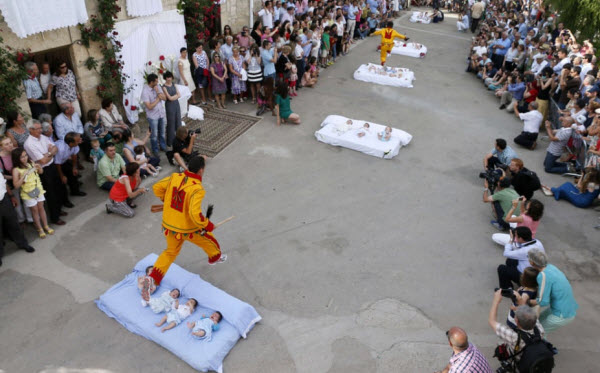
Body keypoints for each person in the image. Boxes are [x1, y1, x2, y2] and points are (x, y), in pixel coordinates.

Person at [142, 156, 227, 293]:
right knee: (209, 239)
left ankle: (153, 279)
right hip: (187, 228)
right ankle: (215, 257)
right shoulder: (197, 189)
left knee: (170, 252)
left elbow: (157, 187)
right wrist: (207, 225)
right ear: (201, 170)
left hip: (169, 225)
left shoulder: (175, 177)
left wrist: (166, 200)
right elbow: (194, 215)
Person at [23, 119, 66, 225]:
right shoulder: (29, 144)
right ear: (31, 130)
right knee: (50, 193)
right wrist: (50, 152)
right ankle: (55, 217)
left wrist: (48, 153)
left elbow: (55, 148)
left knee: (57, 188)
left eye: (40, 128)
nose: (40, 130)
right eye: (38, 129)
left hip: (51, 165)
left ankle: (59, 210)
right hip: (43, 170)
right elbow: (42, 161)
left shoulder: (43, 137)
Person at [488, 291, 548, 364]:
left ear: (516, 321)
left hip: (519, 360)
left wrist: (496, 301)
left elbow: (492, 321)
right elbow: (530, 315)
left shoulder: (514, 337)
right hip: (533, 357)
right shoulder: (539, 329)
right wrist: (519, 299)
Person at [527, 249, 578, 332]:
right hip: (566, 308)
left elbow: (543, 302)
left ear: (532, 262)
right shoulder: (551, 267)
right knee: (537, 321)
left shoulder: (543, 275)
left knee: (539, 333)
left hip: (561, 314)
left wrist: (528, 302)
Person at [11, 147, 53, 238]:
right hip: (28, 194)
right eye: (22, 157)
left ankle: (46, 226)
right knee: (35, 211)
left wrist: (39, 167)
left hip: (38, 189)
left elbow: (40, 172)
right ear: (16, 159)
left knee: (41, 208)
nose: (25, 158)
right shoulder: (16, 170)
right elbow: (16, 185)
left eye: (25, 155)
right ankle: (39, 229)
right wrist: (23, 176)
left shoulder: (31, 163)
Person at [0, 172, 35, 266]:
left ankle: (23, 244)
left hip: (4, 200)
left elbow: (3, 182)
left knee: (14, 224)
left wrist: (11, 196)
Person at [141, 74, 167, 155]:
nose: (157, 82)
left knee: (162, 132)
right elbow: (149, 106)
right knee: (154, 135)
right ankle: (155, 150)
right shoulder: (145, 91)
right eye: (156, 81)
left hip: (161, 114)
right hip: (153, 117)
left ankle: (163, 146)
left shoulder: (158, 87)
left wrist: (158, 92)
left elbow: (165, 98)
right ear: (151, 82)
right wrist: (158, 98)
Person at [54, 132, 86, 198]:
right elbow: (57, 163)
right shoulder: (61, 149)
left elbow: (74, 156)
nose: (80, 141)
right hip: (55, 164)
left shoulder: (75, 145)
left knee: (73, 174)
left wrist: (74, 167)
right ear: (71, 143)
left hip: (64, 160)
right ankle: (64, 199)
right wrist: (62, 176)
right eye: (77, 141)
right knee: (61, 181)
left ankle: (75, 191)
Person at [161, 72, 181, 148]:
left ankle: (179, 138)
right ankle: (170, 141)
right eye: (167, 77)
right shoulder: (164, 87)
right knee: (171, 122)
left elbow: (179, 95)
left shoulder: (174, 84)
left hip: (176, 104)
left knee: (178, 121)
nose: (169, 79)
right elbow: (169, 98)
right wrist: (175, 96)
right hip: (169, 105)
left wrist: (174, 97)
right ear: (165, 78)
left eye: (170, 77)